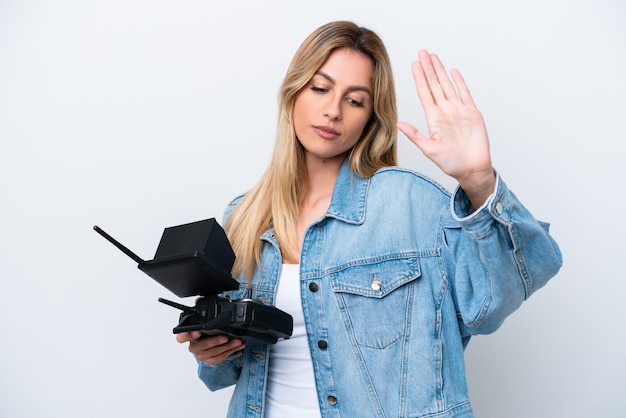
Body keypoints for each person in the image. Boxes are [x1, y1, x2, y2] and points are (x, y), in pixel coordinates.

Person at [176, 20, 562, 418]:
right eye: (320, 88)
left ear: (370, 118)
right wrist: (213, 351)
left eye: (355, 100)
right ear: (293, 93)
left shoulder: (409, 201)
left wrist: (479, 180)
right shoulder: (244, 216)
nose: (333, 111)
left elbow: (494, 301)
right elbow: (222, 374)